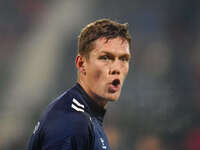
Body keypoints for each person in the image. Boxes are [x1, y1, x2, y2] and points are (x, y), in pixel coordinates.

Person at [27, 18, 132, 150]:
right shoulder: (72, 121)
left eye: (123, 59)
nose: (116, 68)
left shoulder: (85, 117)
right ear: (81, 64)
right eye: (105, 57)